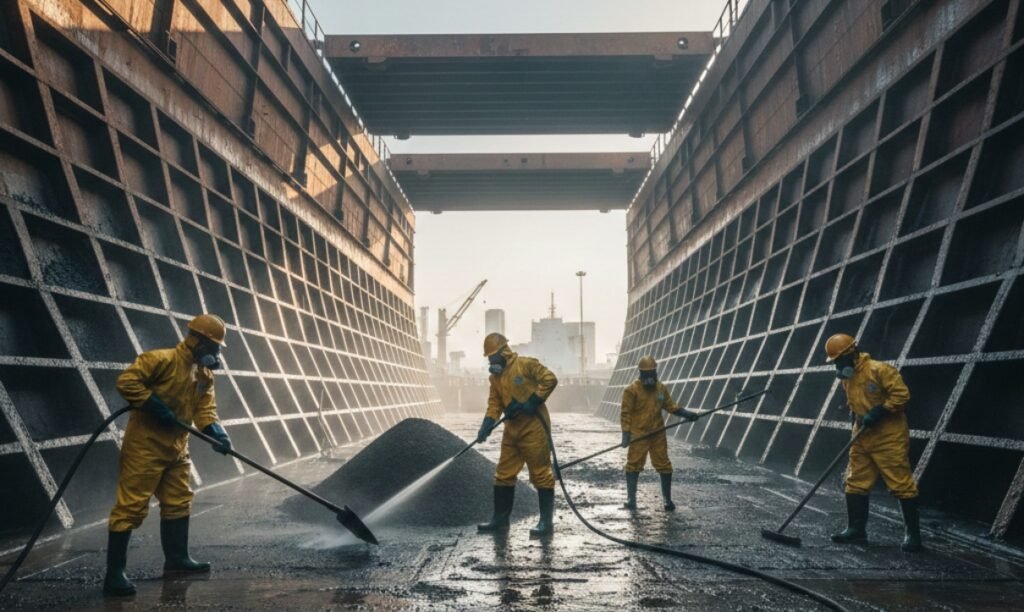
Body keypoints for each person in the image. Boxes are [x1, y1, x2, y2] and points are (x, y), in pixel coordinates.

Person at [104, 314, 234, 596]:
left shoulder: (203, 375)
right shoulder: (159, 360)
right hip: (145, 446)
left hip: (177, 447)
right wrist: (152, 404)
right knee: (131, 507)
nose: (215, 354)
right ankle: (114, 575)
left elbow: (205, 411)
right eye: (213, 347)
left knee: (178, 501)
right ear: (197, 341)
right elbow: (127, 382)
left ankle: (177, 560)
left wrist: (217, 433)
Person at [825, 333, 922, 552]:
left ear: (852, 354)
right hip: (862, 434)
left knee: (900, 483)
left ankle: (913, 536)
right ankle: (856, 530)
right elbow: (854, 403)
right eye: (835, 362)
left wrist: (880, 410)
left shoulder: (880, 370)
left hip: (889, 435)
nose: (838, 366)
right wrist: (856, 423)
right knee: (856, 481)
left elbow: (902, 395)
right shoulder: (847, 378)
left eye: (839, 360)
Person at [476, 333, 558, 538]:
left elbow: (550, 379)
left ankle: (545, 523)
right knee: (503, 474)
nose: (490, 361)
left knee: (540, 474)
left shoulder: (525, 365)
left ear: (504, 352)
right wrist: (487, 423)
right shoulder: (495, 378)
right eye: (488, 358)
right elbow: (495, 403)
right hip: (512, 431)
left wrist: (531, 402)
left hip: (534, 428)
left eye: (492, 357)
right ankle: (500, 521)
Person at [620, 356, 697, 511]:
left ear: (655, 372)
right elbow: (625, 413)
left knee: (664, 465)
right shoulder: (631, 390)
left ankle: (667, 500)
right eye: (646, 374)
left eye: (652, 373)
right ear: (640, 373)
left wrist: (687, 414)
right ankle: (631, 499)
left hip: (657, 433)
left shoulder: (661, 389)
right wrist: (626, 434)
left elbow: (671, 406)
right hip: (639, 435)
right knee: (633, 465)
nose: (649, 377)